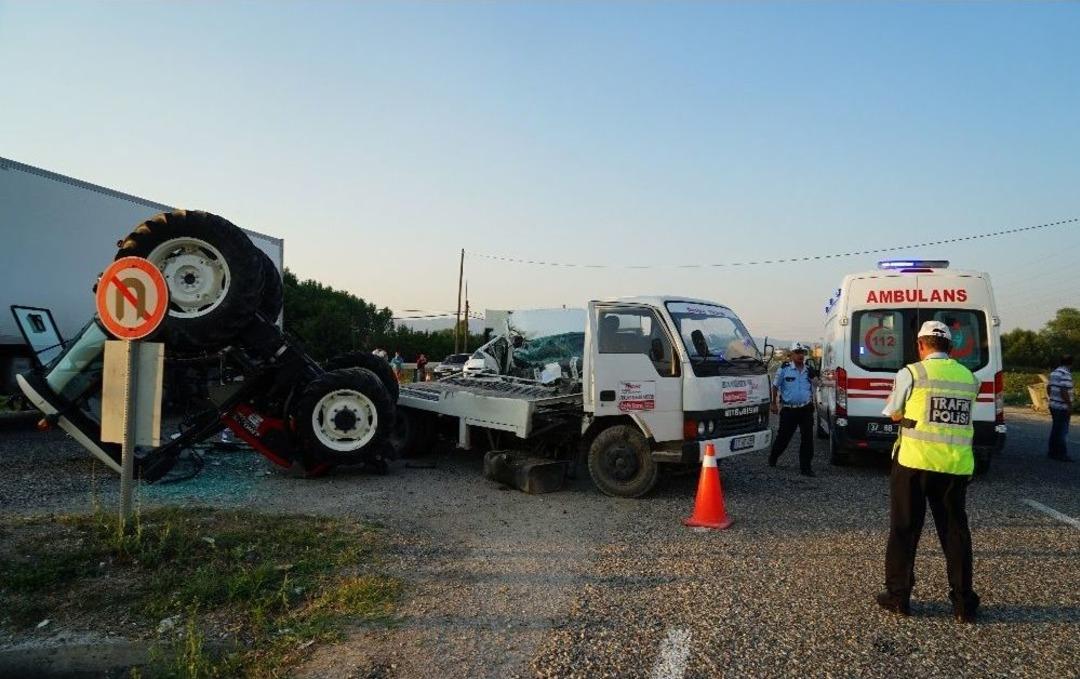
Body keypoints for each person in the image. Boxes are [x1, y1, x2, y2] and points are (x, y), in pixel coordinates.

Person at [877, 320, 981, 623]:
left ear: (921, 345)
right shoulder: (969, 378)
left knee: (905, 529)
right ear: (950, 347)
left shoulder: (911, 372)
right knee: (955, 532)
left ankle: (899, 597)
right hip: (955, 465)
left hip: (914, 462)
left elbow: (893, 411)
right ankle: (963, 604)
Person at [768, 341, 819, 477]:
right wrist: (773, 403)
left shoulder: (808, 369)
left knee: (807, 439)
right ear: (791, 355)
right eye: (797, 353)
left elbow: (817, 384)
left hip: (806, 409)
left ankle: (806, 467)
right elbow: (775, 386)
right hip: (789, 410)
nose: (800, 355)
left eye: (802, 353)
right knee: (783, 438)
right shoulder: (784, 369)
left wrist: (819, 379)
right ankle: (773, 457)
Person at [1047, 354, 1074, 462]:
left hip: (1053, 405)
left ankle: (1052, 452)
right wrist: (1069, 404)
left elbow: (1048, 387)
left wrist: (1052, 397)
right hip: (1062, 407)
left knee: (1055, 430)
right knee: (1062, 431)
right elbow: (1064, 390)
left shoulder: (1054, 372)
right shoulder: (1066, 374)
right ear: (1071, 363)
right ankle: (1061, 454)